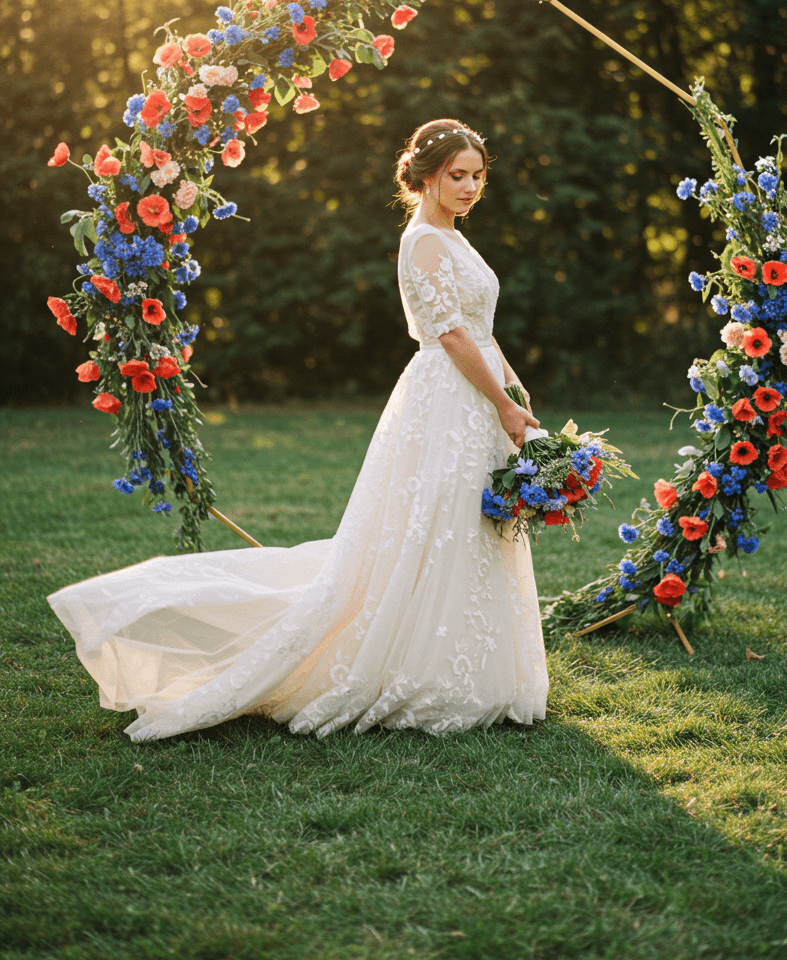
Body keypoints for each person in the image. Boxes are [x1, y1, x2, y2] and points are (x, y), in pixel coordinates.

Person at [47, 118, 549, 740]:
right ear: (425, 176)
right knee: (434, 524)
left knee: (468, 525)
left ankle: (468, 660)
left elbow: (482, 328)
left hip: (476, 394)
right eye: (458, 176)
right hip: (447, 394)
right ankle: (418, 666)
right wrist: (499, 401)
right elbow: (448, 335)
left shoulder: (455, 238)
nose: (471, 186)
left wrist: (515, 393)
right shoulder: (423, 241)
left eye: (477, 176)